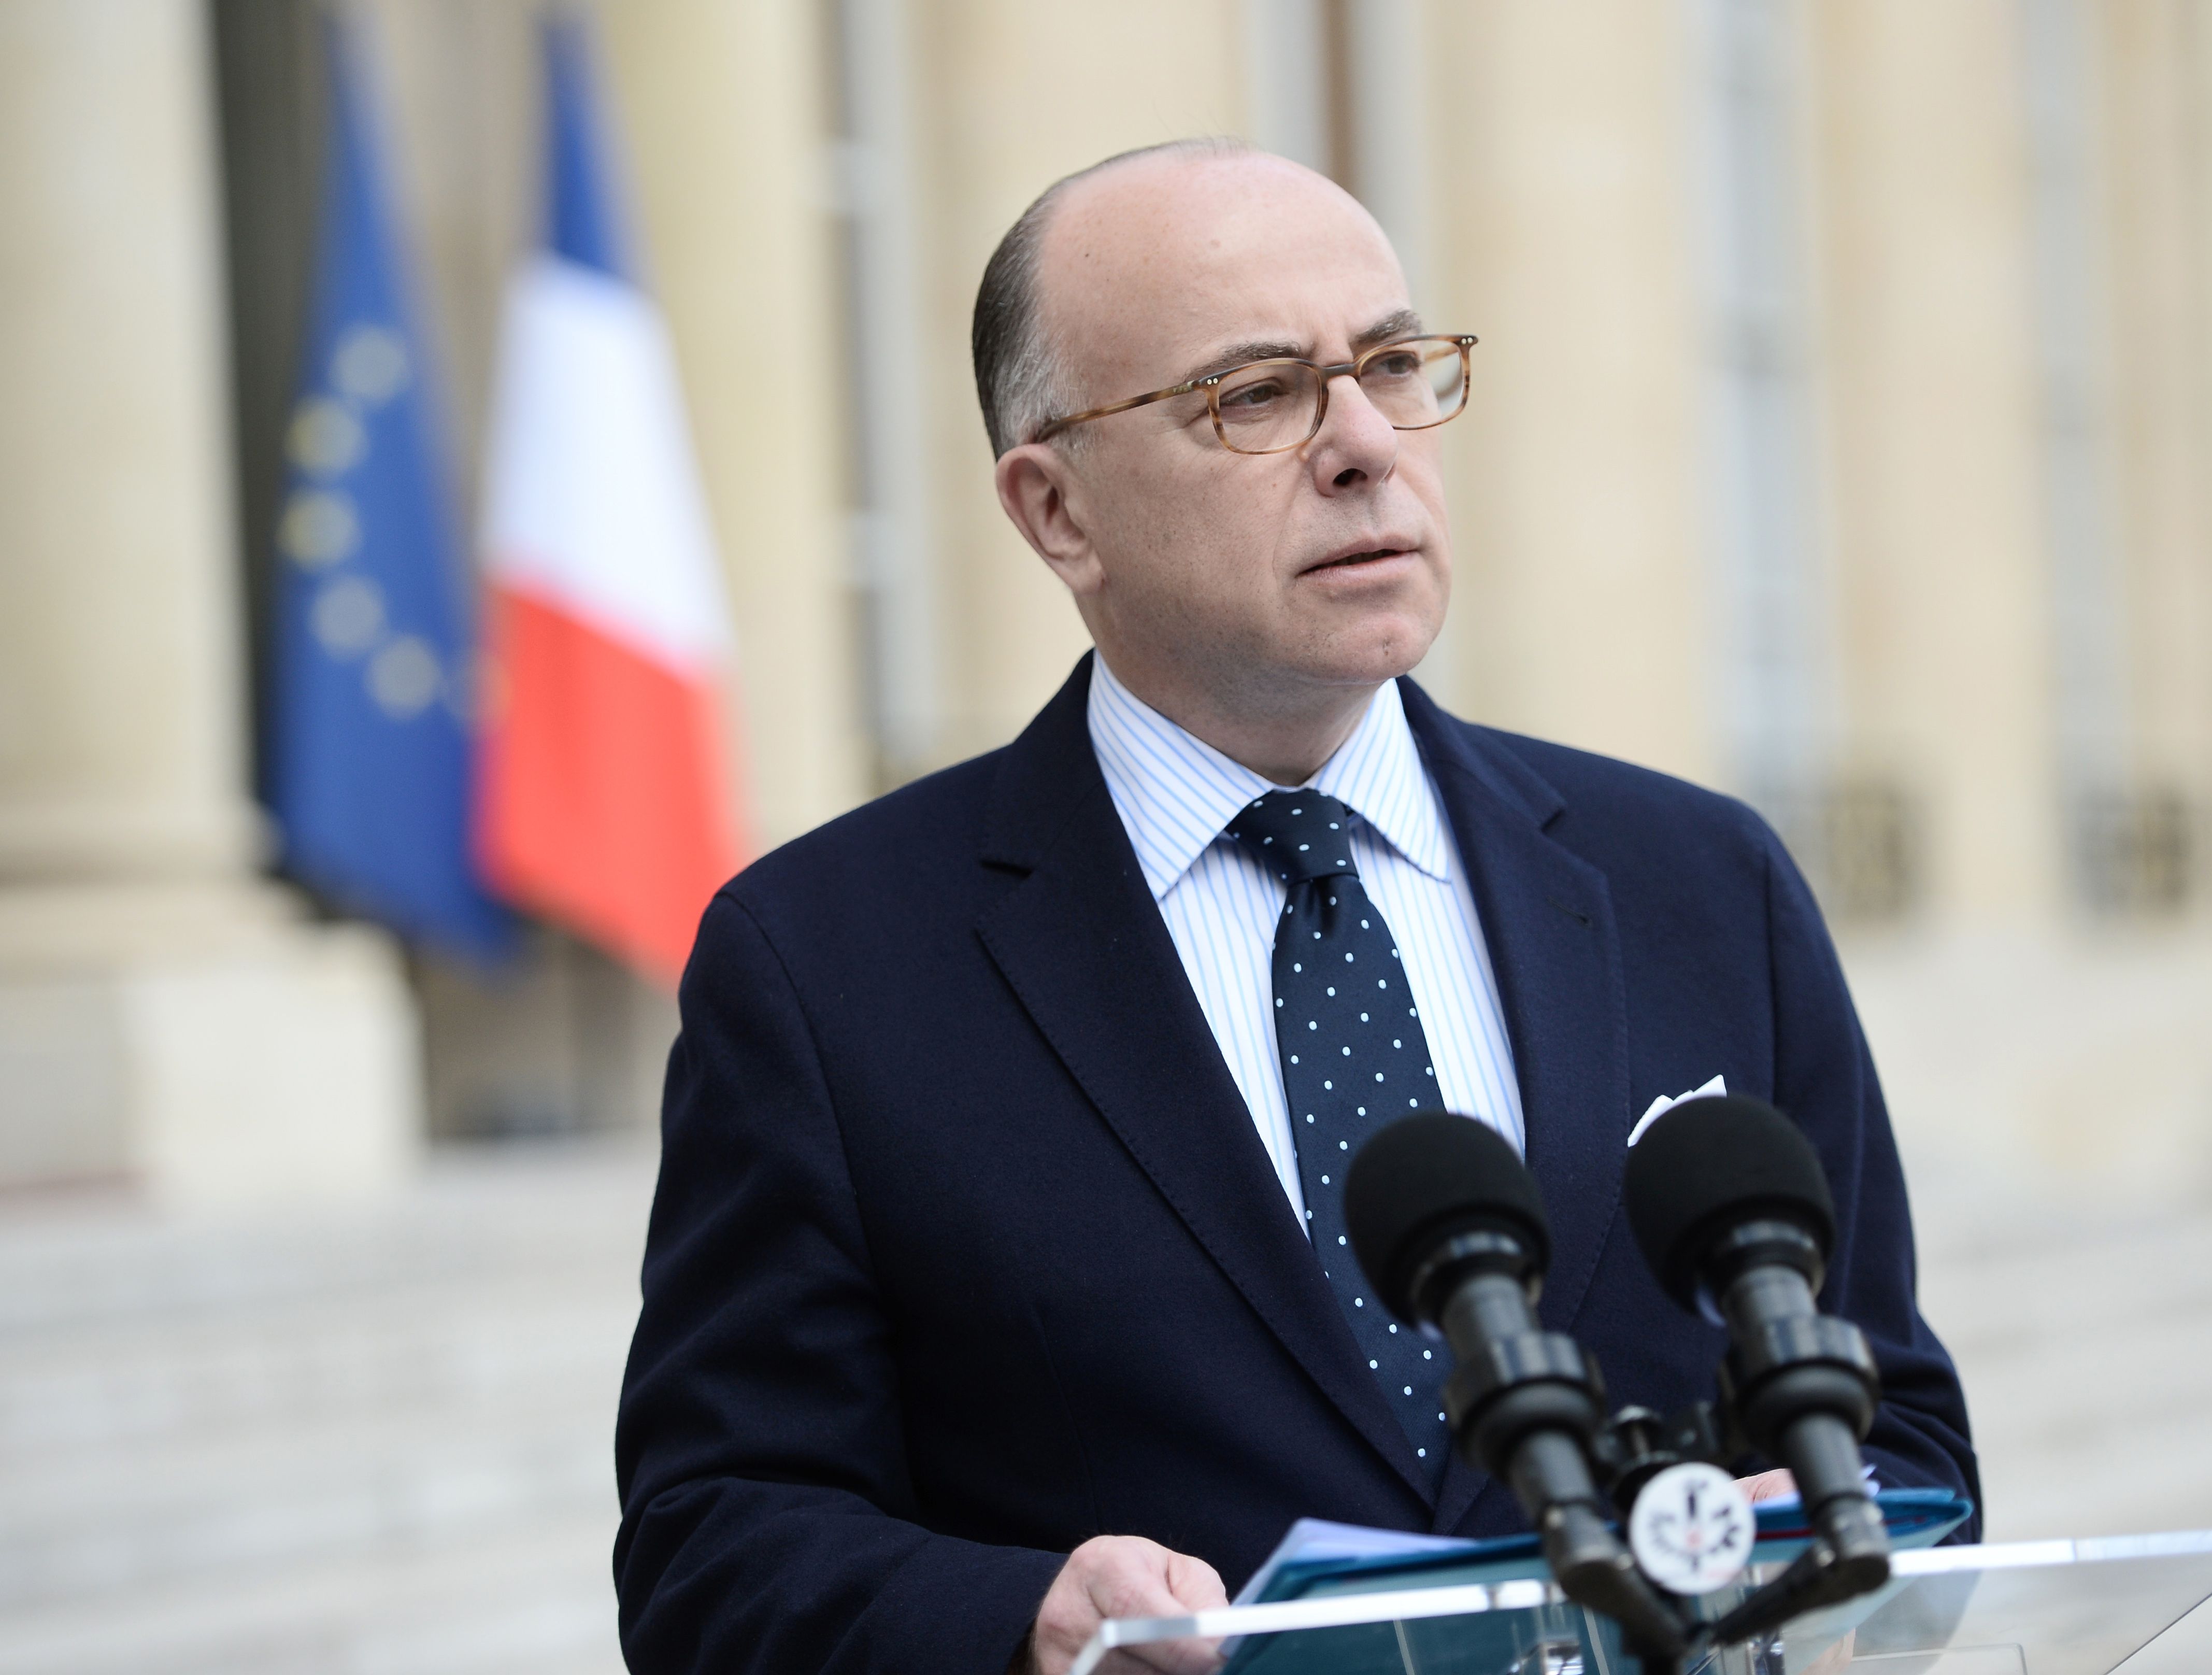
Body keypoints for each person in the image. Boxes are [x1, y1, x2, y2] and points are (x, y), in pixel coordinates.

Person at [613, 138, 1976, 1675]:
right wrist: (1027, 1627)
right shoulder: (824, 964)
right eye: (1255, 395)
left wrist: (1817, 1534)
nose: (1366, 445)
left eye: (1392, 366)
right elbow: (714, 1547)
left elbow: (1906, 1438)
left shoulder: (1705, 884)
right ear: (1058, 512)